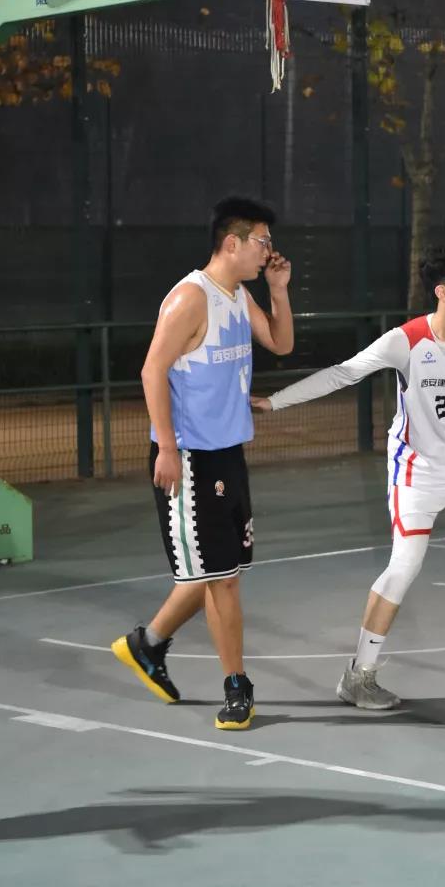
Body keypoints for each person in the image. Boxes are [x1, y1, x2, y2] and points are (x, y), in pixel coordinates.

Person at [253, 243, 445, 709]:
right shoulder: (407, 341)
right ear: (443, 292)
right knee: (404, 566)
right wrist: (274, 401)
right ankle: (358, 675)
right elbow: (343, 374)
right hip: (418, 470)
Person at [111, 197, 293, 731]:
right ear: (232, 243)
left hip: (228, 454)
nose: (268, 251)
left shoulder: (238, 295)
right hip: (191, 460)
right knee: (224, 581)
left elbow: (280, 343)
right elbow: (152, 371)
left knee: (217, 570)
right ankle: (237, 687)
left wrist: (279, 290)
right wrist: (167, 448)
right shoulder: (191, 298)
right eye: (262, 241)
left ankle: (147, 644)